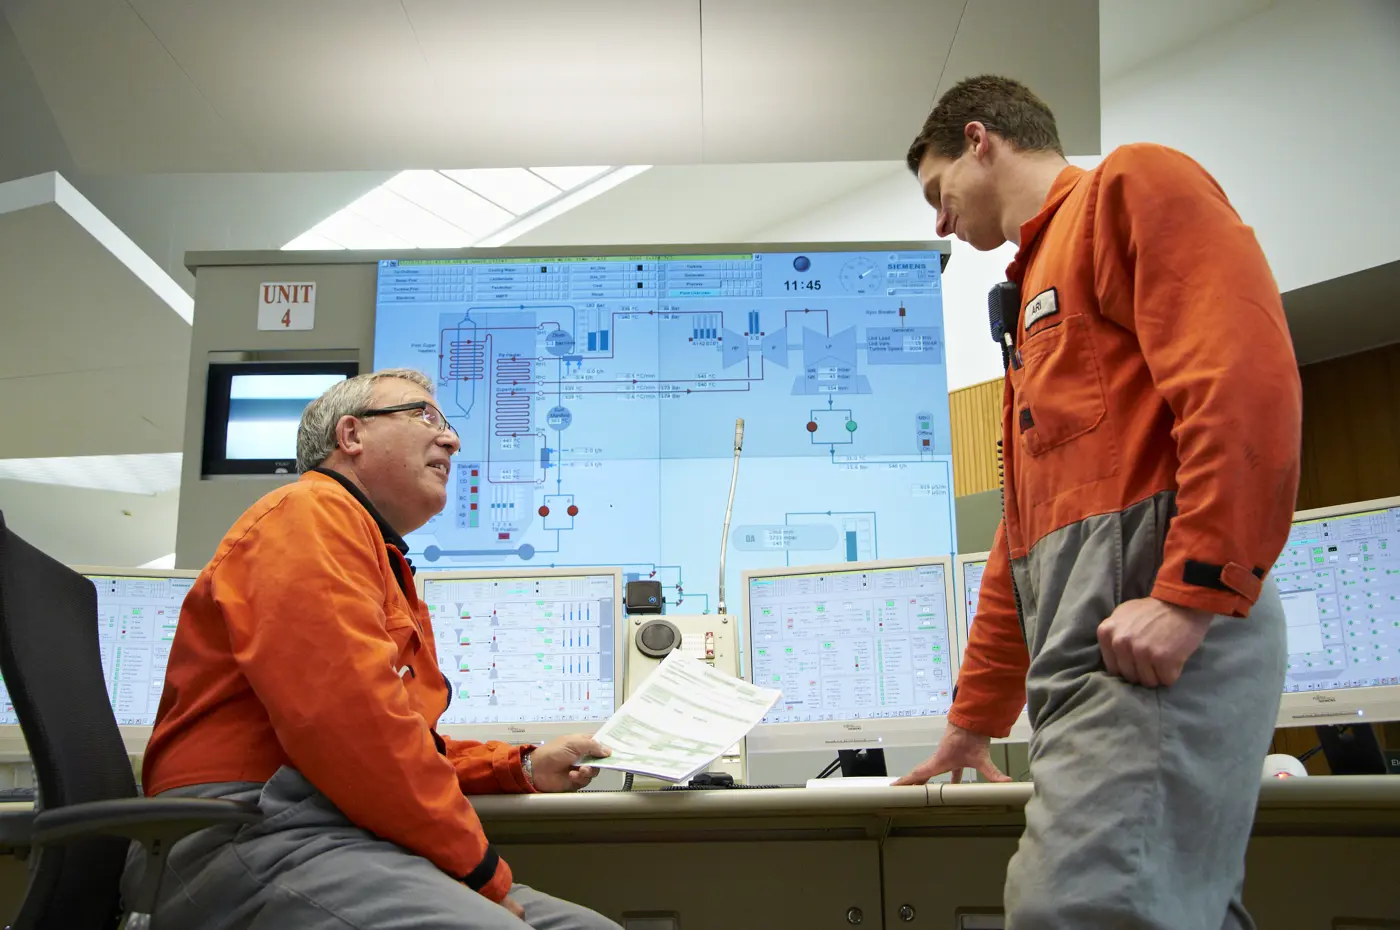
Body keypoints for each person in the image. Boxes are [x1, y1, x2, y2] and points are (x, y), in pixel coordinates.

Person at [894, 76, 1301, 929]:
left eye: (937, 192)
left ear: (979, 141)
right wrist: (974, 720)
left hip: (1152, 648)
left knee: (1077, 909)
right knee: (1156, 907)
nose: (938, 222)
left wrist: (1191, 594)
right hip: (1090, 661)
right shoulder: (1031, 298)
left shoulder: (1131, 185)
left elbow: (1242, 385)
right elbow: (1023, 545)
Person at [124, 369, 621, 930]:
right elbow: (354, 726)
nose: (452, 439)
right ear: (352, 434)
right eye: (424, 415)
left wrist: (520, 766)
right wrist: (481, 870)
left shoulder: (373, 553)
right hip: (246, 831)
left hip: (328, 827)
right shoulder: (309, 514)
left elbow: (401, 744)